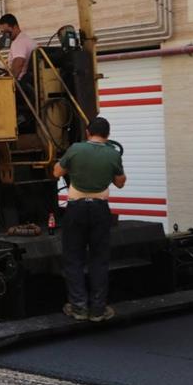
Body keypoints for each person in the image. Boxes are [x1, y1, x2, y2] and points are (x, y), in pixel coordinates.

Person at [52, 116, 127, 322]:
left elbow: (56, 171)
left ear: (87, 132)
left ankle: (78, 308)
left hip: (76, 209)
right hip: (100, 209)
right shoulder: (112, 154)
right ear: (108, 134)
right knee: (99, 259)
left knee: (73, 258)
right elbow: (120, 183)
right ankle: (98, 310)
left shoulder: (75, 149)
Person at [0, 13, 37, 89]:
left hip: (21, 84)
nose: (5, 36)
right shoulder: (26, 39)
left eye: (7, 32)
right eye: (2, 33)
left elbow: (18, 64)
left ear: (15, 27)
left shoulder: (19, 42)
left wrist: (6, 84)